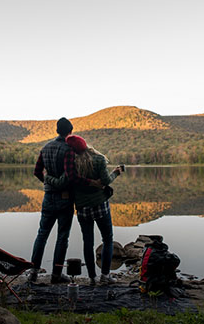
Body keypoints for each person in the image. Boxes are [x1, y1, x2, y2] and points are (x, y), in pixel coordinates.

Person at [45, 135, 122, 286]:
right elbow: (106, 181)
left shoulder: (71, 164)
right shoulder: (98, 160)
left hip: (82, 209)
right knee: (107, 239)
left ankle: (92, 277)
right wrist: (116, 173)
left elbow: (64, 181)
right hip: (100, 205)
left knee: (88, 242)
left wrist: (47, 177)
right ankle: (105, 276)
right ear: (85, 145)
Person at [29, 118, 100, 284]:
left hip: (48, 197)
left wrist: (47, 184)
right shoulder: (68, 149)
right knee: (62, 237)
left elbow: (37, 172)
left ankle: (33, 273)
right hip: (64, 198)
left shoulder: (45, 147)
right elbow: (71, 176)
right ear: (70, 131)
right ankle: (56, 274)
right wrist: (90, 182)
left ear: (56, 130)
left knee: (42, 234)